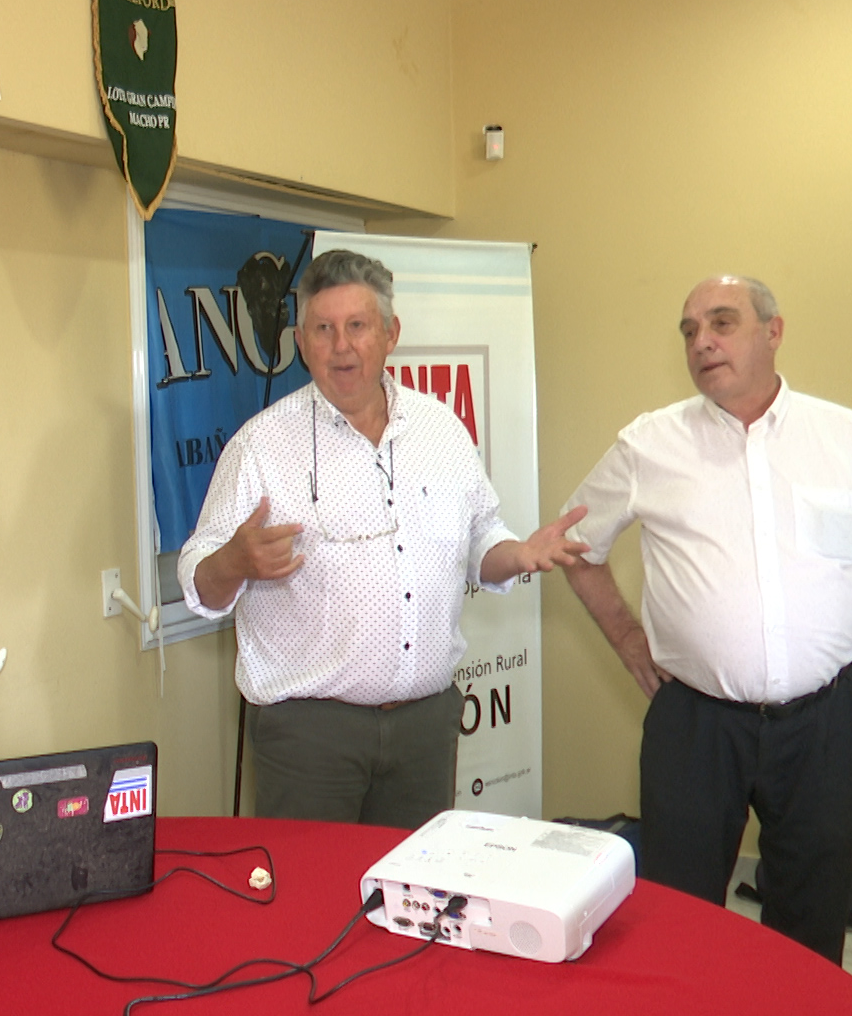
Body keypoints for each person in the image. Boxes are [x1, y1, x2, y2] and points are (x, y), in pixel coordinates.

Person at [562, 275, 852, 964]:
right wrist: (631, 641)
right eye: (689, 331)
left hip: (825, 723)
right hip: (695, 727)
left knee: (811, 922)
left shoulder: (846, 438)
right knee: (679, 921)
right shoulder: (649, 445)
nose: (702, 342)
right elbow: (573, 547)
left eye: (722, 323)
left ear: (773, 331)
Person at [177, 249, 585, 828]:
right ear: (301, 343)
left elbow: (480, 539)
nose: (341, 346)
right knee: (313, 885)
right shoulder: (260, 447)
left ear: (391, 334)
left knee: (412, 882)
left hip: (426, 728)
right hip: (310, 736)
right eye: (323, 329)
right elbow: (199, 581)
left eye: (357, 326)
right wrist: (233, 562)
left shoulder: (442, 430)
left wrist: (517, 554)